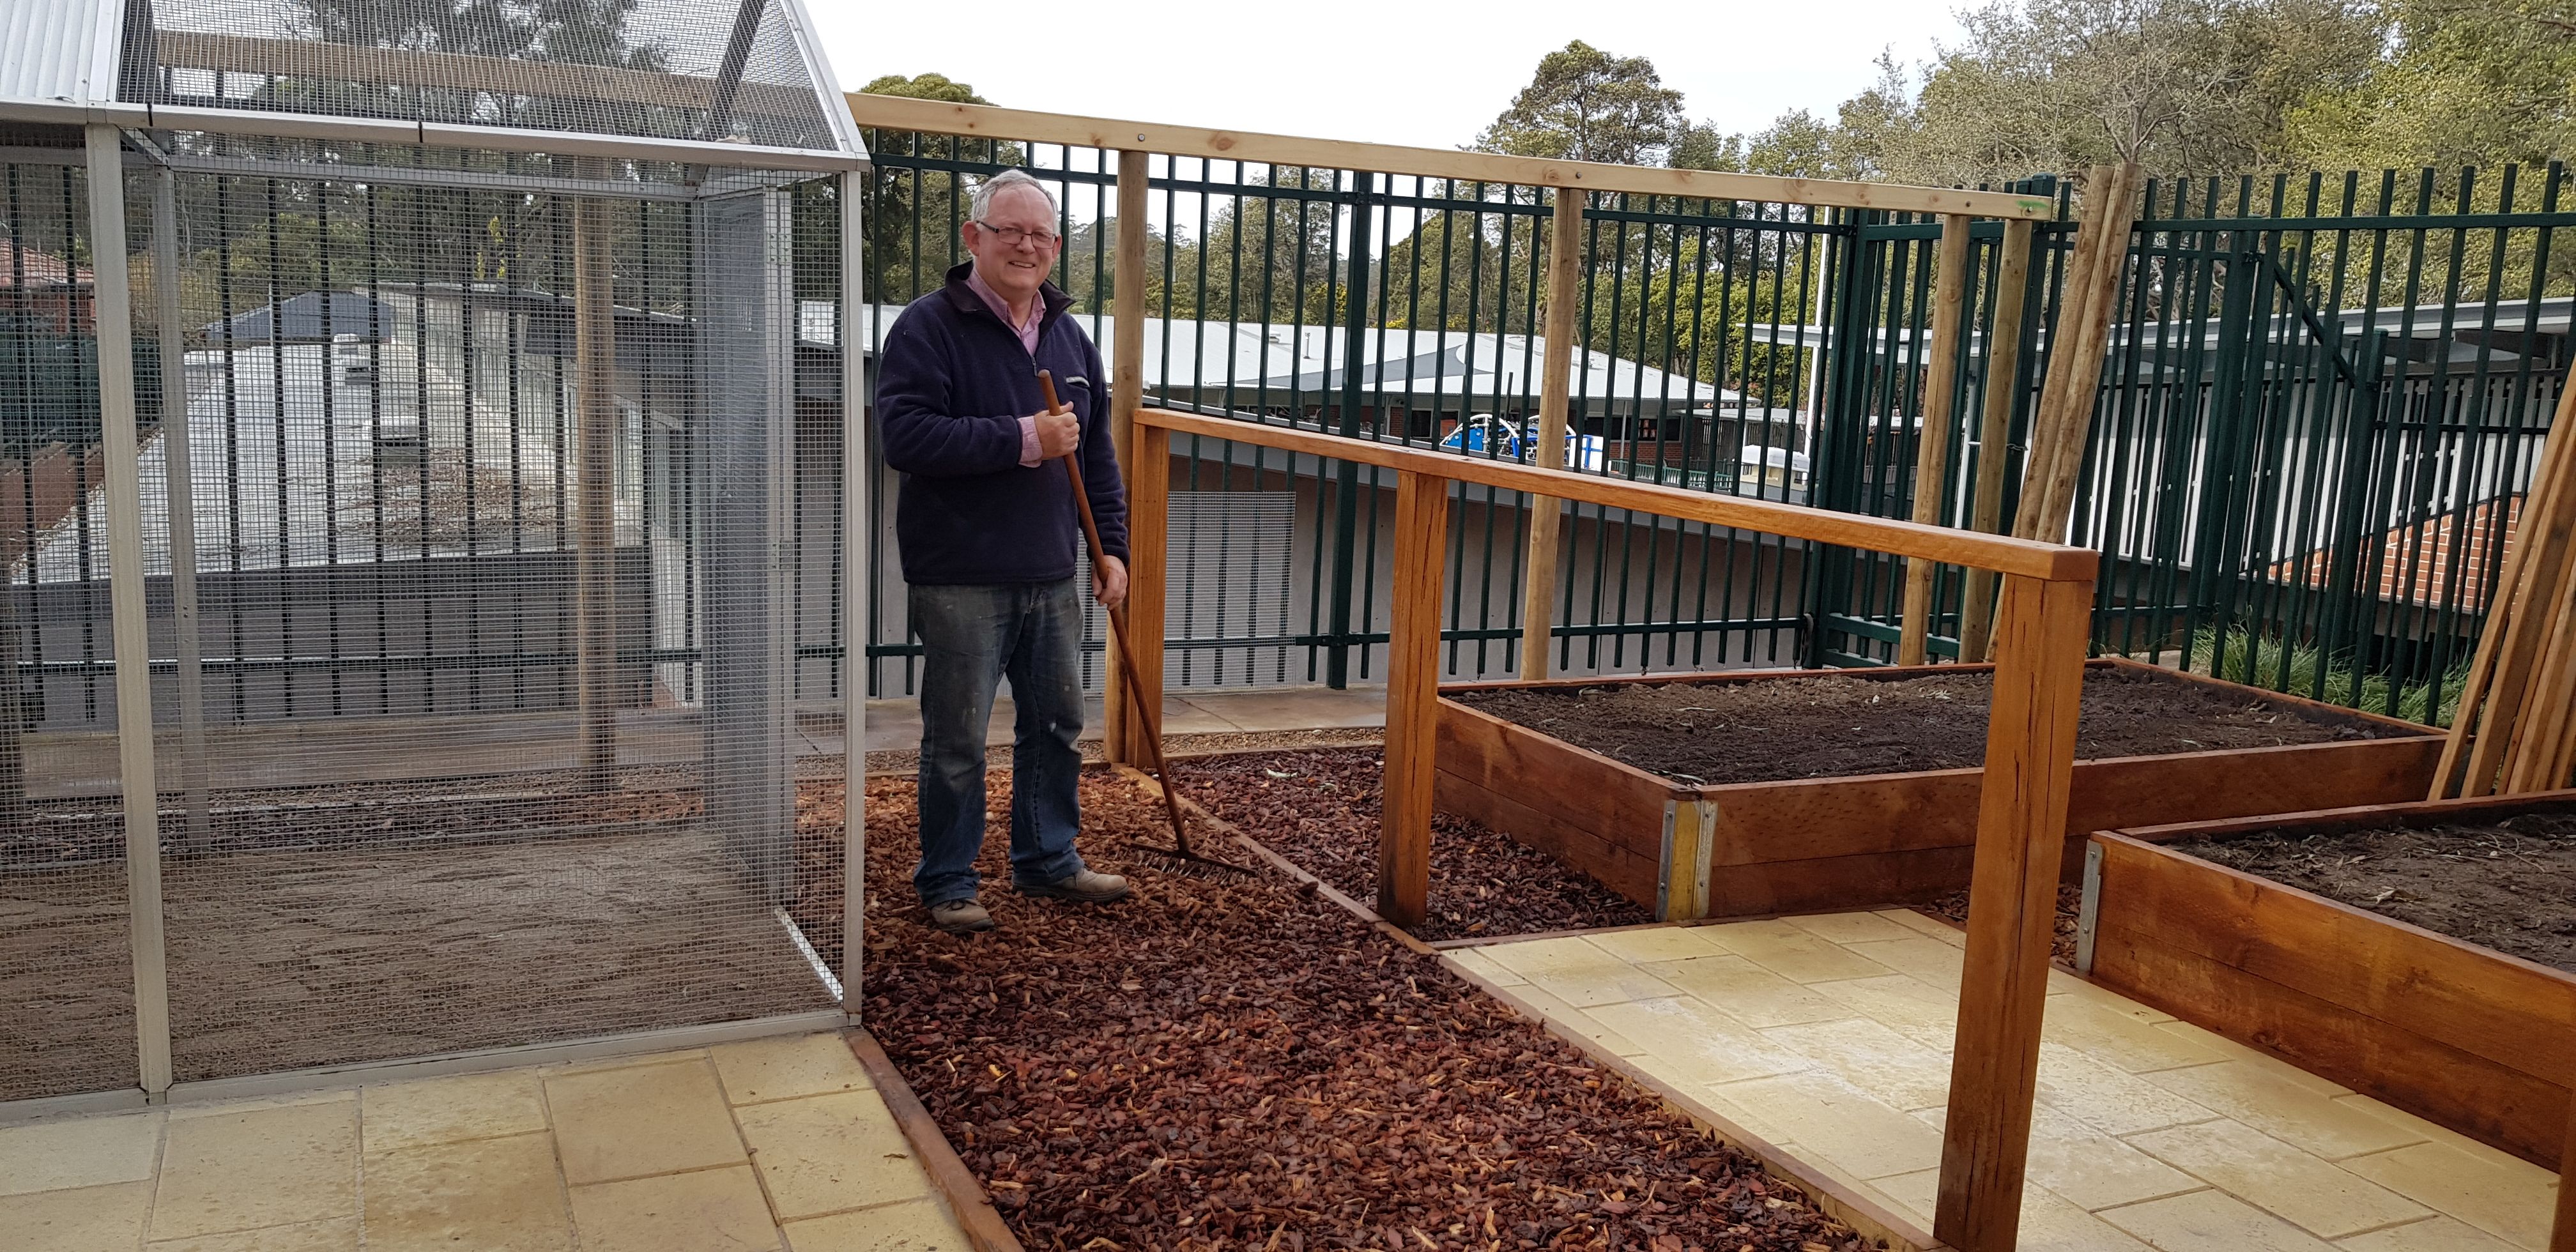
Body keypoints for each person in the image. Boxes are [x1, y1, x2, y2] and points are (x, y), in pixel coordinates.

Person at [875, 168, 1133, 934]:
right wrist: (1025, 437)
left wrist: (1110, 548)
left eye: (1041, 235)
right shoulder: (928, 326)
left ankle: (1048, 861)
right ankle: (949, 879)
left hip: (1052, 572)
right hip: (962, 576)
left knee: (1056, 726)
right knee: (956, 740)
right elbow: (907, 436)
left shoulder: (1068, 333)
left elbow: (1097, 459)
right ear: (974, 238)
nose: (1027, 245)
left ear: (1056, 248)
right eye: (1010, 230)